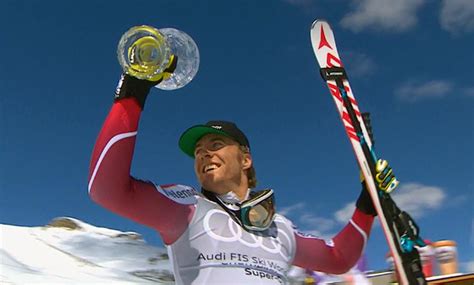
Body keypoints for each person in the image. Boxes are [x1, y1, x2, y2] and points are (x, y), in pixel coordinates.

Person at [88, 74, 398, 284]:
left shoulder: (281, 228)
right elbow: (107, 190)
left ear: (245, 159)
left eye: (216, 145)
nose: (204, 154)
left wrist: (366, 204)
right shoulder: (186, 209)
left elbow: (338, 258)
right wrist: (132, 93)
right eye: (198, 151)